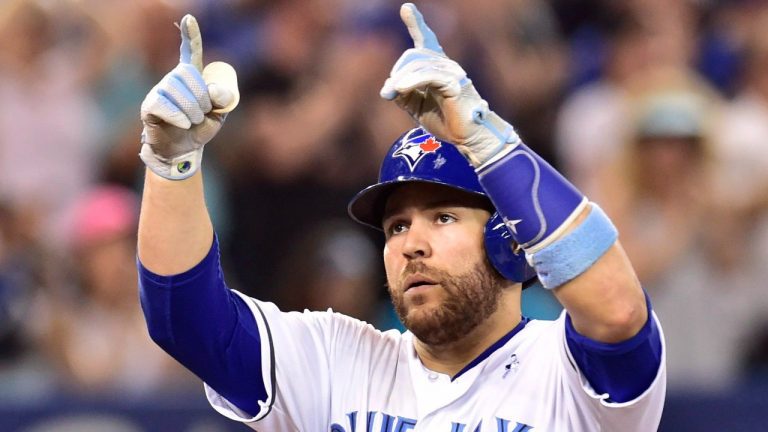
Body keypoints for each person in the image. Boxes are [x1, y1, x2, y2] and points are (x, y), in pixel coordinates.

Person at [136, 4, 665, 431]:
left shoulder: (563, 366)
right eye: (397, 226)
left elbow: (619, 312)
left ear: (509, 238)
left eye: (443, 217)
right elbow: (186, 322)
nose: (412, 243)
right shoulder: (336, 359)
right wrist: (172, 167)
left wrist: (490, 143)